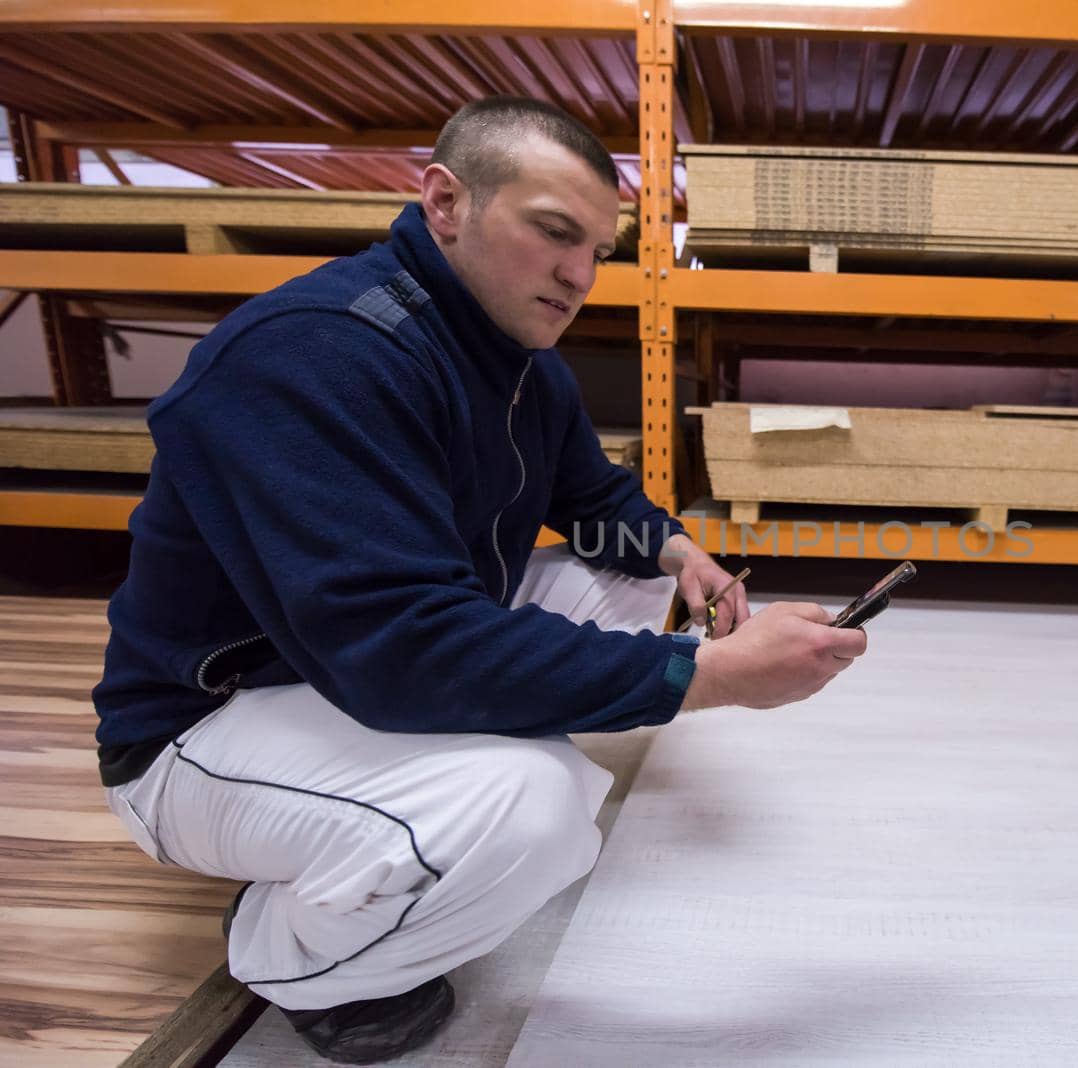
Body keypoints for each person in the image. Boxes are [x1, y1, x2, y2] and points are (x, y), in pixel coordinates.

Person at [92, 96, 868, 1063]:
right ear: (445, 201)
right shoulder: (314, 355)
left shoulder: (516, 363)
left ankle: (417, 797)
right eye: (552, 233)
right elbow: (402, 645)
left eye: (596, 248)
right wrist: (706, 677)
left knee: (620, 579)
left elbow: (592, 500)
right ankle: (290, 953)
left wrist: (682, 556)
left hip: (356, 662)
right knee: (536, 809)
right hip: (208, 727)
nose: (580, 274)